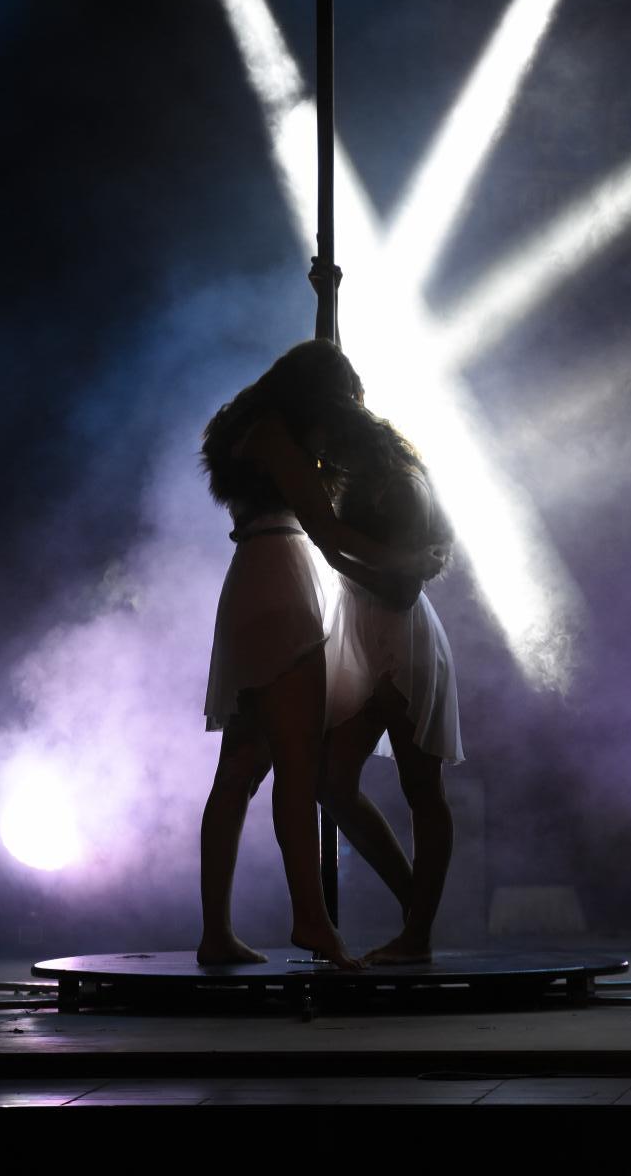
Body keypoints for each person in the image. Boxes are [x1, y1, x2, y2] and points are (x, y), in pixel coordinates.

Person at [197, 340, 438, 969]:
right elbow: (325, 532)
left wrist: (326, 298)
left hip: (258, 575)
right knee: (297, 767)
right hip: (282, 583)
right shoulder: (276, 435)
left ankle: (217, 933)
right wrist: (407, 559)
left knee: (241, 765)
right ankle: (311, 919)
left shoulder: (253, 427)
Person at [319, 409, 464, 964]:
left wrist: (337, 554)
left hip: (402, 644)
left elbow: (402, 591)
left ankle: (418, 932)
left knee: (422, 791)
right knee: (332, 784)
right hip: (365, 637)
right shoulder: (363, 483)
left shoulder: (402, 486)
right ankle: (414, 906)